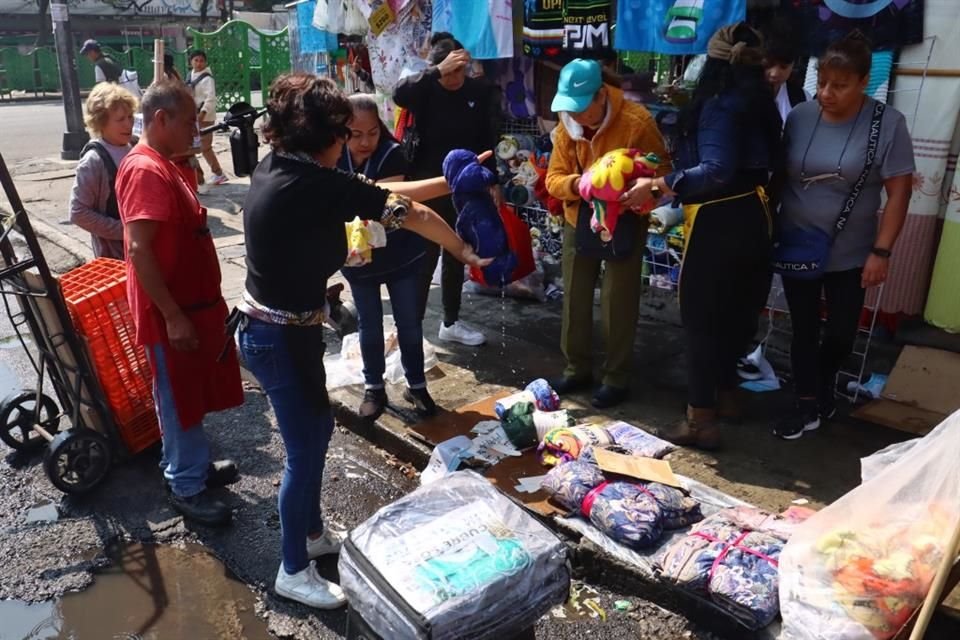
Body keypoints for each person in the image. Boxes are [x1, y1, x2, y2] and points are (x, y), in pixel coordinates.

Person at [238, 73, 491, 609]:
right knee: (304, 451)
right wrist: (463, 251)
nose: (350, 145)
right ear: (329, 136)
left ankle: (310, 537)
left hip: (285, 329)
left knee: (317, 432)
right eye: (344, 134)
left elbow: (389, 194)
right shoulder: (316, 185)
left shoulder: (278, 168)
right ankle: (292, 570)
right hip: (277, 337)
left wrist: (452, 179)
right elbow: (410, 213)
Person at [623, 24, 782, 449]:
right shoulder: (762, 102)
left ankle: (700, 420)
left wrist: (660, 185)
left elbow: (715, 170)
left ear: (713, 63)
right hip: (757, 215)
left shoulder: (720, 105)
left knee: (699, 320)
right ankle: (728, 396)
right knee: (735, 315)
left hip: (718, 218)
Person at [773, 33, 913, 440]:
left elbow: (899, 191)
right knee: (802, 327)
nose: (827, 93)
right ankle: (806, 405)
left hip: (850, 251)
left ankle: (818, 386)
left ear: (865, 82)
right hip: (798, 241)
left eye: (840, 85)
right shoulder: (800, 116)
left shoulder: (887, 124)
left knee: (840, 332)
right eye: (822, 82)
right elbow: (779, 175)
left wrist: (881, 251)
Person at [116, 81, 244, 527]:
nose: (195, 131)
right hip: (172, 311)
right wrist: (172, 315)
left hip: (190, 305)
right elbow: (139, 250)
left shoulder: (162, 164)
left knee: (190, 393)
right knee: (178, 399)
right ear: (161, 119)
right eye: (189, 122)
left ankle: (192, 466)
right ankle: (185, 484)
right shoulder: (147, 171)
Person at [545, 58, 671, 409]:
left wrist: (644, 189)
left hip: (627, 218)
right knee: (575, 296)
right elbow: (553, 180)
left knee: (619, 300)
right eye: (571, 109)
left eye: (583, 108)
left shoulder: (637, 121)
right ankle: (576, 369)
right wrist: (584, 184)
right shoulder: (565, 126)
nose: (578, 117)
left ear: (601, 95)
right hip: (579, 217)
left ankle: (616, 377)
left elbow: (663, 172)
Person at [393, 32, 501, 347]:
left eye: (459, 70)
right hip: (426, 185)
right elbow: (400, 94)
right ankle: (410, 329)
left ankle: (450, 321)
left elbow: (486, 139)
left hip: (464, 186)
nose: (454, 78)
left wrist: (492, 180)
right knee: (423, 257)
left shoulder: (477, 92)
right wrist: (436, 72)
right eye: (448, 71)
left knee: (458, 251)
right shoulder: (424, 90)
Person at [338, 94, 437, 419]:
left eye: (372, 133)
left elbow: (379, 199)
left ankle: (417, 386)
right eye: (356, 134)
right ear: (341, 131)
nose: (366, 141)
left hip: (402, 256)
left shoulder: (393, 153)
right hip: (358, 259)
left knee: (409, 324)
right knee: (369, 325)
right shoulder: (333, 155)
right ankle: (374, 388)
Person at [69, 83, 137, 259]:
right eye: (120, 119)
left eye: (130, 117)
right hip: (116, 256)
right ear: (101, 122)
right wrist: (124, 230)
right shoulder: (93, 161)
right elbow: (78, 212)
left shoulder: (136, 146)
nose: (128, 124)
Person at [188, 50, 227, 186]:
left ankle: (219, 173)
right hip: (194, 116)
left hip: (204, 116)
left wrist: (202, 114)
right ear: (191, 61)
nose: (198, 63)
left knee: (205, 147)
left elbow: (210, 99)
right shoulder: (191, 75)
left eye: (201, 61)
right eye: (196, 60)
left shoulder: (207, 78)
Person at [763, 36, 809, 126]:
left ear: (793, 65)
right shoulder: (740, 97)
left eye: (783, 67)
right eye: (768, 65)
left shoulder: (802, 98)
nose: (774, 74)